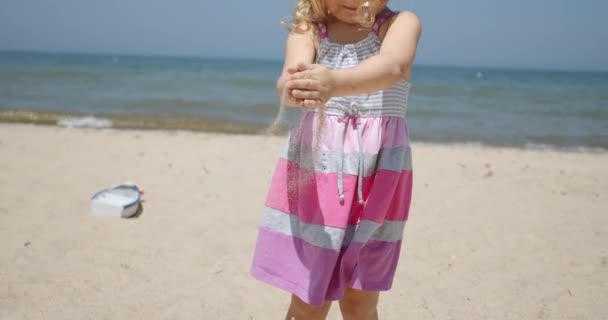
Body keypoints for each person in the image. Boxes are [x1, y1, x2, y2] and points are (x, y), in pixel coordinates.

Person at [251, 0, 421, 319]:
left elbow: (392, 67)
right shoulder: (309, 30)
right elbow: (288, 77)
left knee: (361, 298)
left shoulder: (399, 24)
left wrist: (335, 84)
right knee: (308, 298)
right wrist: (293, 88)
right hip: (319, 173)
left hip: (376, 178)